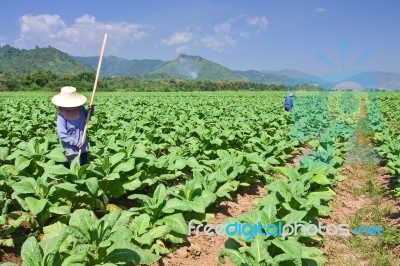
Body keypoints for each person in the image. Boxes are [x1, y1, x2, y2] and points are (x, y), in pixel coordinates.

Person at [51, 86, 94, 166]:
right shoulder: (61, 115)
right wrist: (75, 142)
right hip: (71, 149)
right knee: (75, 168)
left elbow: (87, 116)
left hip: (83, 146)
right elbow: (62, 134)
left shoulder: (80, 108)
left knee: (84, 166)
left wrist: (90, 110)